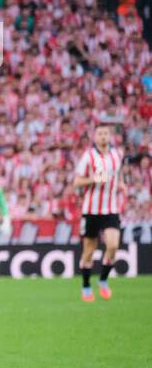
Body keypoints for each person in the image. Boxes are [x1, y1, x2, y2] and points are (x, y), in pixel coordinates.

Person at [73, 123, 124, 301]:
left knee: (113, 245)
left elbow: (119, 173)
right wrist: (94, 179)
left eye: (105, 133)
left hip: (110, 209)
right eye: (99, 133)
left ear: (110, 136)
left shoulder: (117, 155)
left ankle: (103, 280)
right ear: (94, 137)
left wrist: (122, 184)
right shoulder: (88, 156)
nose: (103, 136)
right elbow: (77, 182)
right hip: (91, 210)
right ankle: (86, 286)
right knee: (89, 250)